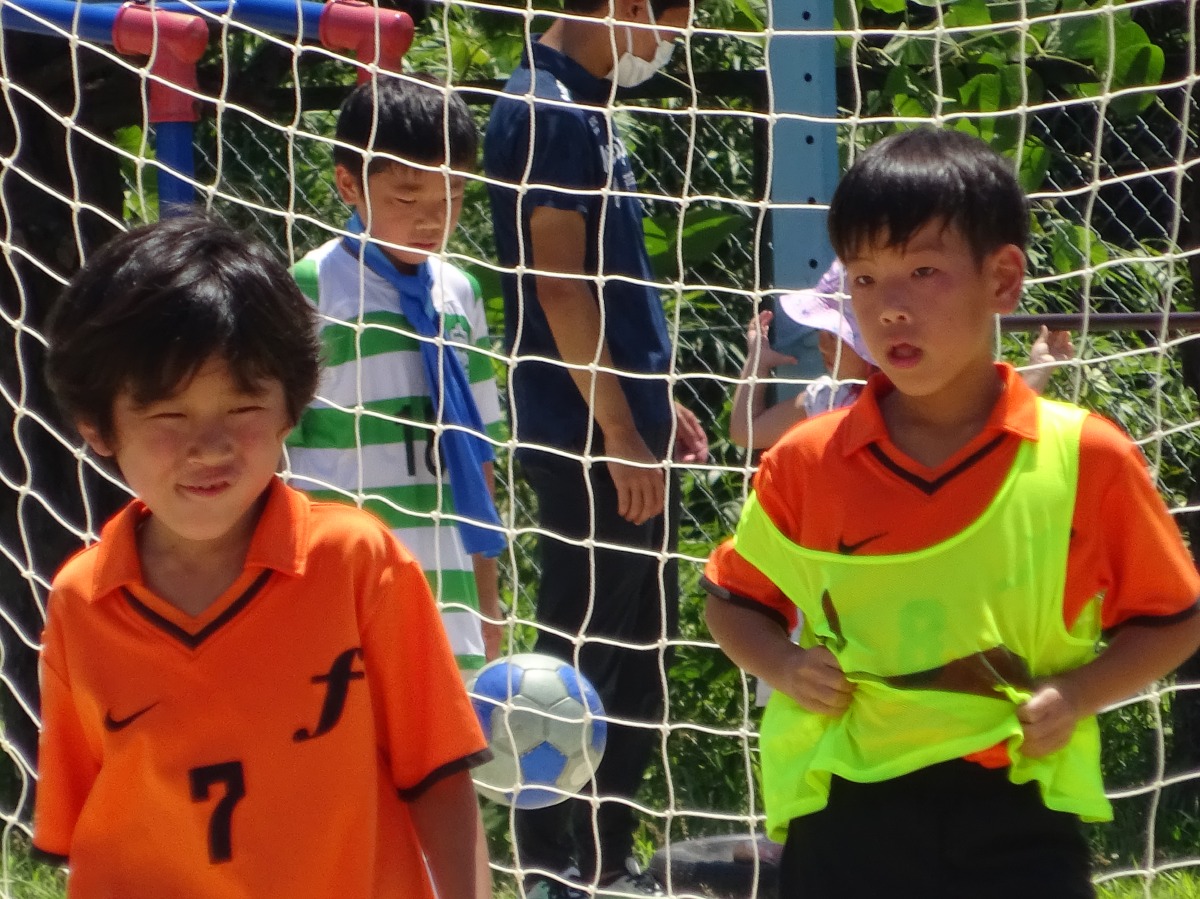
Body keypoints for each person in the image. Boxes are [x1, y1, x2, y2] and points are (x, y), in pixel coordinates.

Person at [703, 127, 1200, 899]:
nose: (889, 308)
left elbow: (1175, 619)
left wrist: (1078, 693)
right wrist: (785, 664)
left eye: (923, 271)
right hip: (847, 814)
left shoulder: (1087, 457)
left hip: (1019, 809)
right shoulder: (805, 459)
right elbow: (731, 602)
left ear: (1003, 279)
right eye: (865, 280)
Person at [32, 216, 492, 899]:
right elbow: (93, 825)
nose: (211, 446)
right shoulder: (82, 599)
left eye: (243, 407)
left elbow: (438, 773)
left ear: (291, 409)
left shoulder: (357, 561)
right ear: (97, 425)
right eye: (169, 416)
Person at [483, 1, 708, 895]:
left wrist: (655, 403)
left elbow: (613, 286)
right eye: (670, 24)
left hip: (624, 424)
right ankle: (551, 867)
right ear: (622, 7)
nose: (668, 46)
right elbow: (560, 287)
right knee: (577, 663)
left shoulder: (585, 103)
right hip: (583, 437)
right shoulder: (546, 108)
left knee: (639, 656)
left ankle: (611, 861)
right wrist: (617, 430)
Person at [286, 75, 506, 675]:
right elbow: (274, 451)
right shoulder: (313, 288)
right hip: (341, 589)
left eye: (452, 195)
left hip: (449, 593)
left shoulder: (459, 293)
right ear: (348, 185)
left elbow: (479, 453)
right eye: (407, 199)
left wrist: (488, 601)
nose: (432, 219)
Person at [731, 260, 1076, 449]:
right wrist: (756, 362)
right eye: (822, 333)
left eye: (836, 335)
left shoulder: (931, 398)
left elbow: (996, 433)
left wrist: (1037, 371)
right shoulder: (826, 398)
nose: (823, 344)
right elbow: (747, 432)